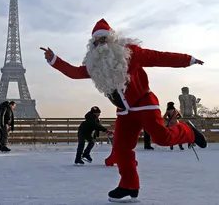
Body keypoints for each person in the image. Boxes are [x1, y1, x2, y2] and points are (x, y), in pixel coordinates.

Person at [40, 18, 207, 202]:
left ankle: (187, 130)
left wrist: (187, 59)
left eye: (103, 40)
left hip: (144, 103)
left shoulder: (130, 53)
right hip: (125, 111)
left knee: (162, 138)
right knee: (120, 148)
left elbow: (159, 57)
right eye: (96, 42)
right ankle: (129, 185)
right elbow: (74, 73)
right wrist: (54, 60)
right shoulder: (95, 66)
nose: (100, 45)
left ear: (112, 39)